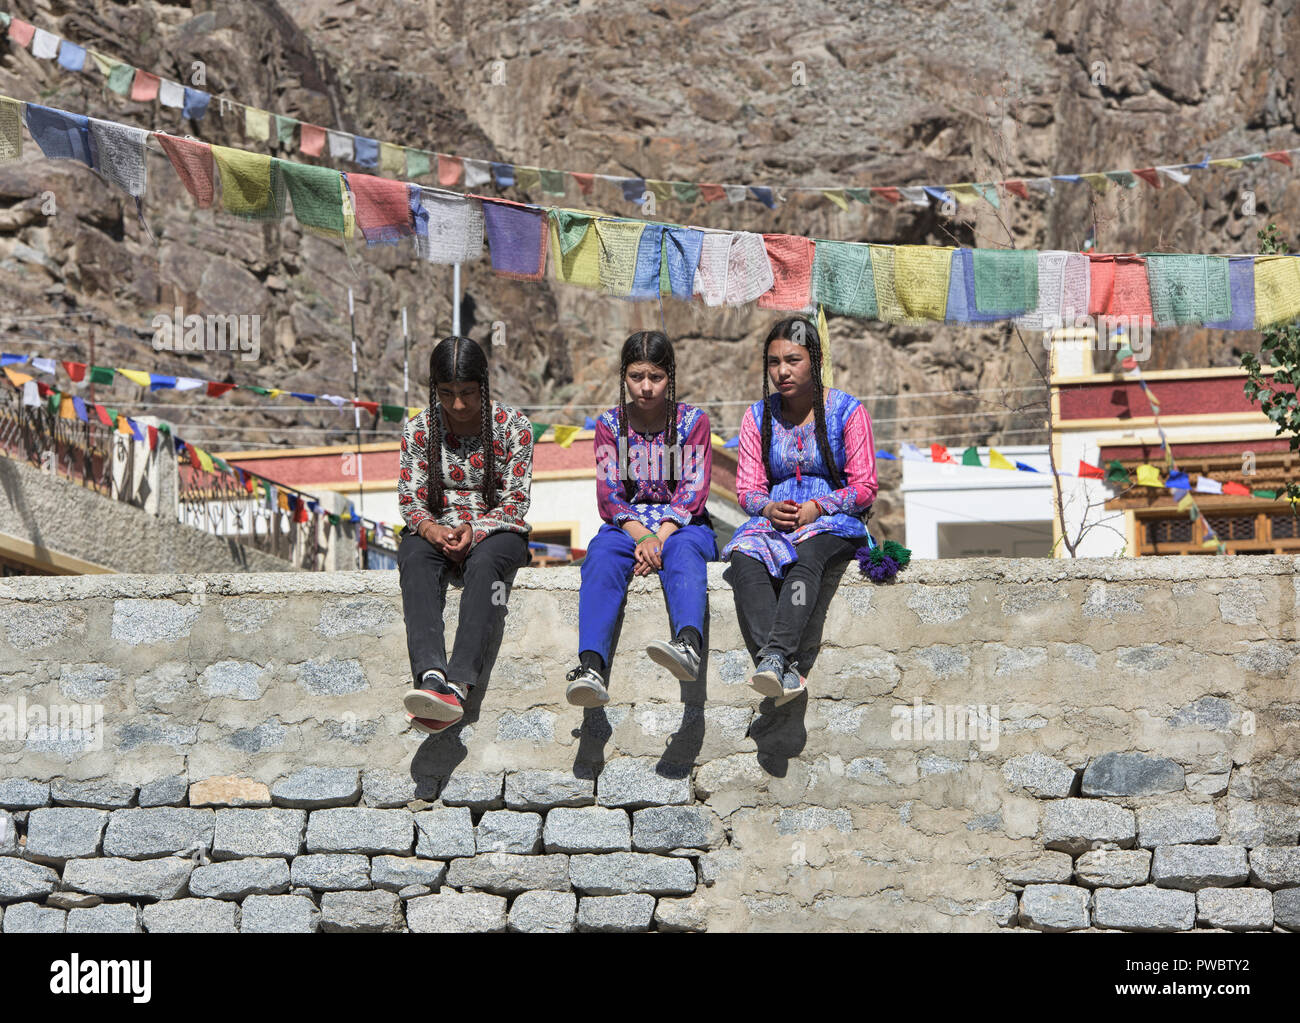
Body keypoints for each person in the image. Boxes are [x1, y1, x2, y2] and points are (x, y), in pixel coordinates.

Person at [721, 316, 877, 706]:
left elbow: (865, 486)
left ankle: (775, 655)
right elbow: (747, 489)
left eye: (793, 360)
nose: (782, 371)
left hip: (832, 521)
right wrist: (769, 507)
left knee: (804, 559)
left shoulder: (847, 412)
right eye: (773, 362)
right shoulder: (757, 417)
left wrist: (818, 506)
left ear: (816, 360)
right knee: (744, 557)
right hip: (775, 519)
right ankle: (782, 666)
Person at [563, 330, 717, 707]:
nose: (646, 387)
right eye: (636, 377)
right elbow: (609, 493)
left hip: (684, 524)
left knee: (683, 552)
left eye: (656, 377)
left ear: (671, 377)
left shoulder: (694, 422)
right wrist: (642, 537)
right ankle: (591, 667)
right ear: (624, 377)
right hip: (627, 527)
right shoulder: (609, 425)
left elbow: (692, 490)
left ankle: (688, 645)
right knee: (599, 556)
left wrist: (660, 536)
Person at [397, 335, 534, 734]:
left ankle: (458, 686)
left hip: (498, 531)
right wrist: (429, 528)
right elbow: (410, 497)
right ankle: (430, 677)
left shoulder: (515, 428)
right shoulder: (420, 429)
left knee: (487, 564)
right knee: (413, 558)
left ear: (484, 386)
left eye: (468, 393)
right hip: (436, 529)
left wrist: (475, 531)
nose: (458, 405)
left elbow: (516, 500)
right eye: (447, 393)